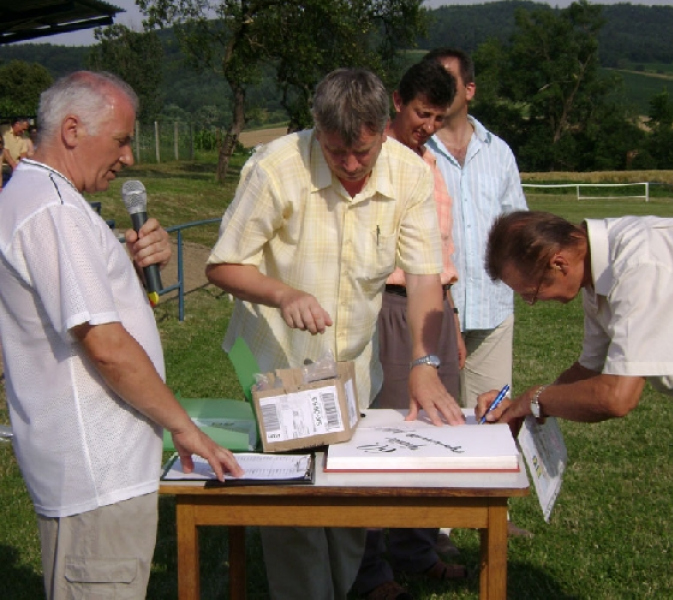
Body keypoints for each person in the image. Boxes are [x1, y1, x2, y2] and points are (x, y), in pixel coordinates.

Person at [206, 68, 465, 600]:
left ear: (381, 132)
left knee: (348, 498)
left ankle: (340, 588)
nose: (349, 165)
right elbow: (223, 264)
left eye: (362, 154)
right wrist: (283, 295)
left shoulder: (408, 175)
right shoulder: (275, 167)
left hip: (351, 366)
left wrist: (422, 363)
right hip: (275, 363)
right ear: (316, 128)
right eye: (335, 151)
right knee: (295, 509)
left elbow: (422, 278)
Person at [0, 71, 243, 600]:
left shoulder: (40, 197)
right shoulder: (55, 211)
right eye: (121, 140)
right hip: (96, 480)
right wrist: (183, 426)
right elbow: (105, 346)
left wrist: (128, 270)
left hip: (95, 477)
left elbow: (68, 315)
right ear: (71, 130)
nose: (129, 157)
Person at [478, 211, 673, 600]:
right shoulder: (599, 274)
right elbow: (589, 369)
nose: (532, 303)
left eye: (530, 292)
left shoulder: (644, 260)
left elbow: (617, 397)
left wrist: (537, 399)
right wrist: (521, 406)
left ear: (558, 262)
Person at [351, 60, 466, 600]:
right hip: (391, 308)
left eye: (439, 118)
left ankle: (417, 548)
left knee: (438, 430)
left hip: (436, 307)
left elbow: (441, 255)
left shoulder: (432, 166)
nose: (429, 126)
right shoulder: (372, 161)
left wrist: (453, 323)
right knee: (387, 433)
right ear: (397, 100)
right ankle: (372, 569)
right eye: (423, 113)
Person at [423, 47, 531, 542]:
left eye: (450, 83)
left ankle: (493, 516)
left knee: (491, 415)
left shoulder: (499, 151)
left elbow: (517, 227)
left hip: (491, 305)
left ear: (470, 90)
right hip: (432, 310)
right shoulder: (415, 150)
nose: (442, 94)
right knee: (436, 416)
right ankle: (435, 523)